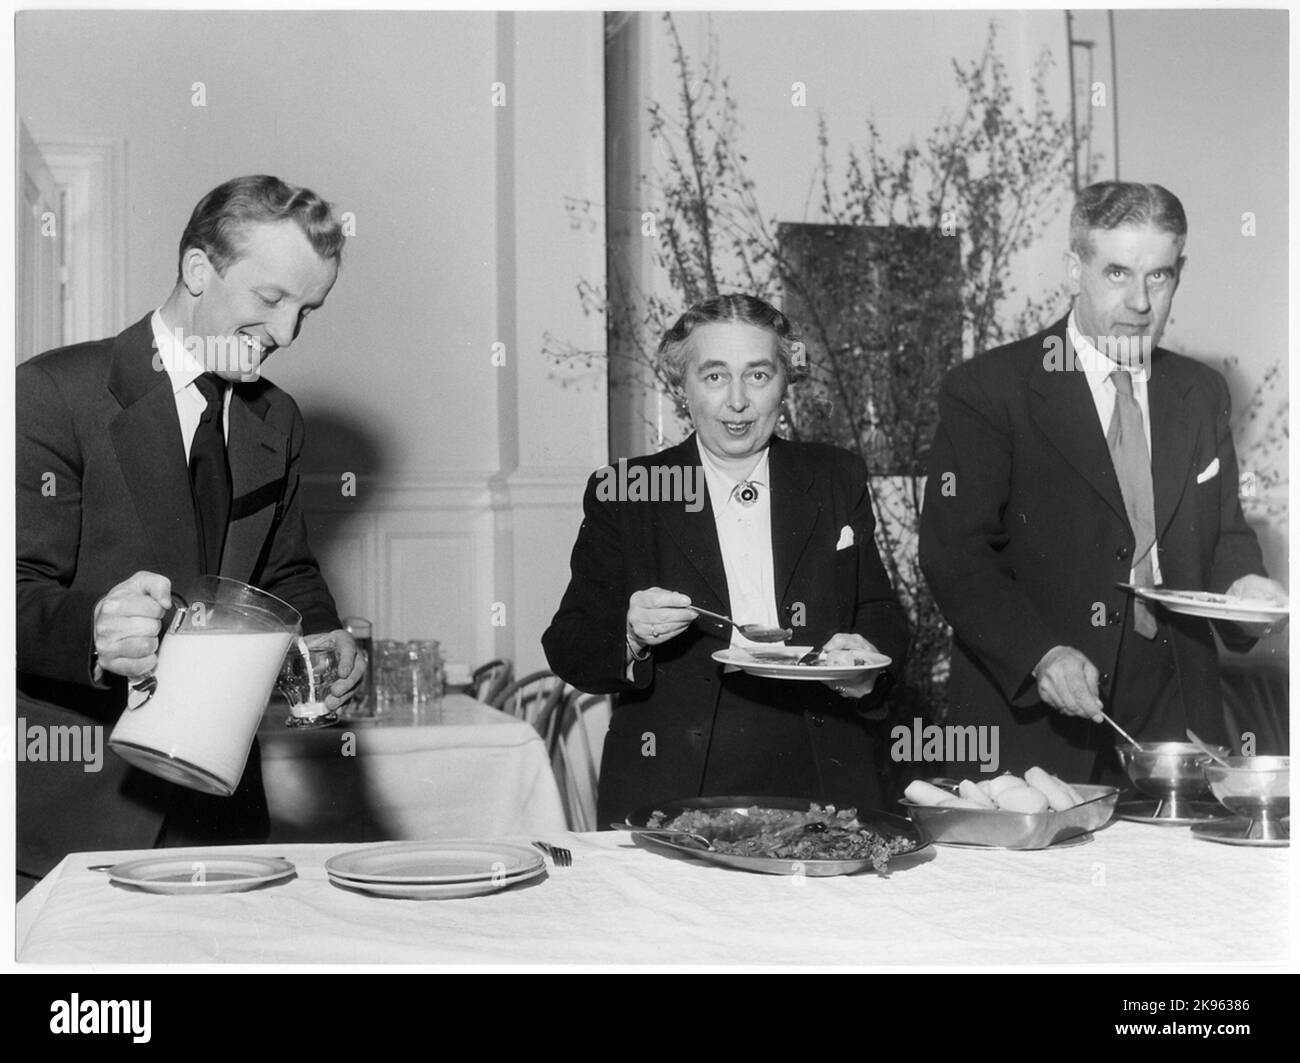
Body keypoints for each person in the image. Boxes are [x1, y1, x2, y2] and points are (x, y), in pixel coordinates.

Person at [16, 174, 365, 893]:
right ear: (198, 269)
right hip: (74, 824)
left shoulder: (277, 419)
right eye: (271, 299)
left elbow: (286, 568)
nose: (287, 333)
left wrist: (325, 634)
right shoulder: (52, 394)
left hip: (223, 818)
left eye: (309, 310)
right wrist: (94, 631)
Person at [918, 181, 1286, 785]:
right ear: (1074, 268)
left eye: (1159, 277)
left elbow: (1222, 532)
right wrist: (1039, 655)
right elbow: (954, 554)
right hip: (1034, 719)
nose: (1140, 302)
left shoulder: (1201, 393)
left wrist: (1246, 585)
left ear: (1179, 274)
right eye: (1117, 273)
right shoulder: (990, 390)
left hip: (1175, 717)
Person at [543, 294, 909, 825]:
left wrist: (865, 664)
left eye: (758, 376)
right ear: (682, 388)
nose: (737, 401)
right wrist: (629, 633)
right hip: (677, 779)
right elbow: (568, 643)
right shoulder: (626, 490)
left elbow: (879, 611)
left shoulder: (835, 476)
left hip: (821, 766)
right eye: (714, 377)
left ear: (786, 385)